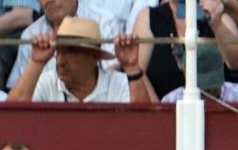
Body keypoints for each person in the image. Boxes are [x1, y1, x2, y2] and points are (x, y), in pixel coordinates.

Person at [9, 13, 153, 102]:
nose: (60, 61)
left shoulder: (119, 83)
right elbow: (11, 115)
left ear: (94, 56)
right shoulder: (47, 82)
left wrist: (131, 67)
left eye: (71, 52)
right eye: (58, 52)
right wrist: (37, 62)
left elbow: (142, 121)